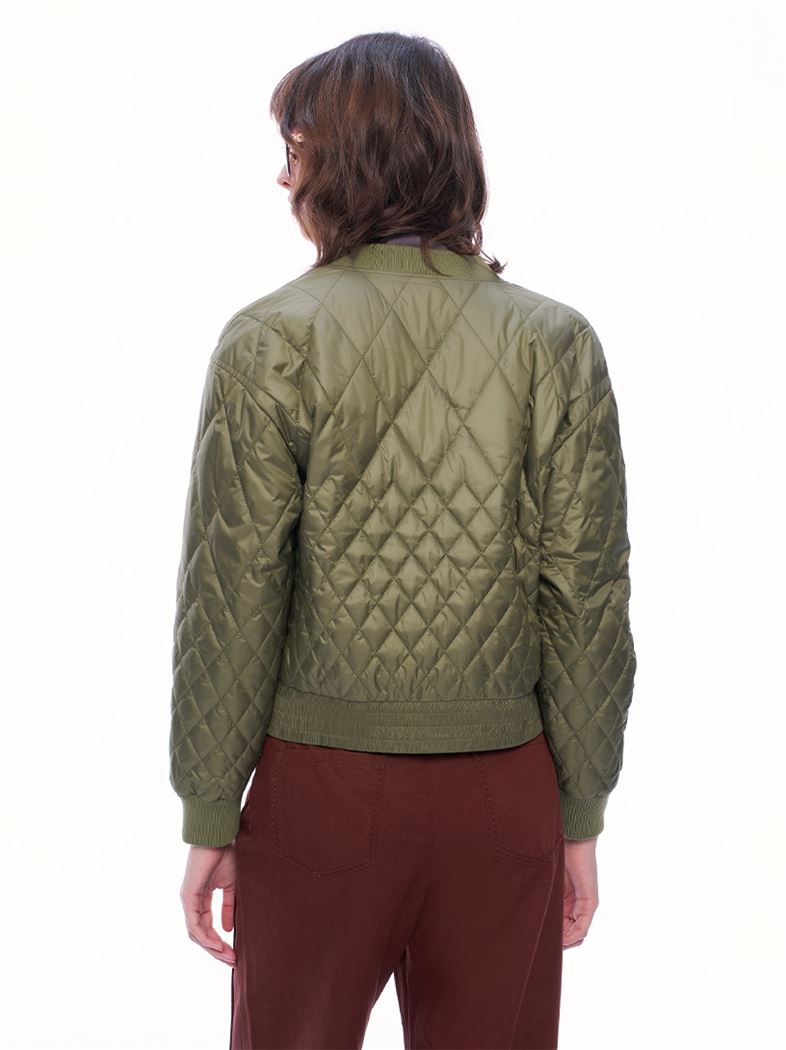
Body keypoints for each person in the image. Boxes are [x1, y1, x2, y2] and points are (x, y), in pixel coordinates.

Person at [168, 30, 637, 1050]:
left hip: (320, 794)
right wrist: (578, 810)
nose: (283, 176)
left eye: (294, 150)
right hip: (505, 792)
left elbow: (232, 597)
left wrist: (210, 810)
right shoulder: (555, 341)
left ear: (342, 163)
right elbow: (587, 597)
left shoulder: (270, 340)